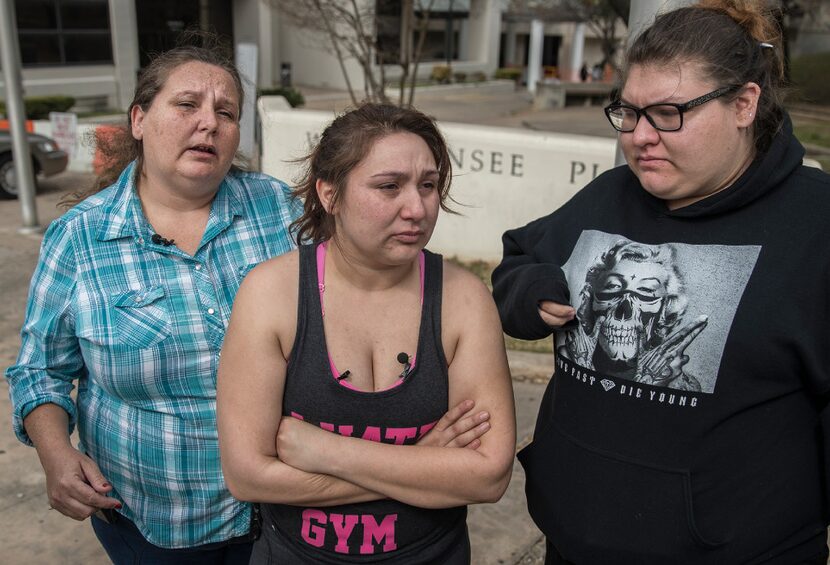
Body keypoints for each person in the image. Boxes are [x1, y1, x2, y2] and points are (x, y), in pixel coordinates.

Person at [491, 0, 830, 563]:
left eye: (668, 113)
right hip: (572, 546)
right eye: (629, 113)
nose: (640, 136)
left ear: (744, 103)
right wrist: (531, 292)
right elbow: (519, 259)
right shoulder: (609, 195)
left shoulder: (816, 227)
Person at [5, 43, 302, 564]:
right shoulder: (80, 239)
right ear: (139, 120)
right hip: (155, 525)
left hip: (287, 508)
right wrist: (55, 453)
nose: (208, 123)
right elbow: (40, 370)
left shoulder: (279, 210)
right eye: (187, 105)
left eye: (226, 112)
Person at [217, 103, 516, 564]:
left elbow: (488, 478)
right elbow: (248, 476)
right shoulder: (271, 294)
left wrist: (325, 451)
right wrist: (423, 463)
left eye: (429, 185)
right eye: (389, 186)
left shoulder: (463, 301)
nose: (417, 208)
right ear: (330, 194)